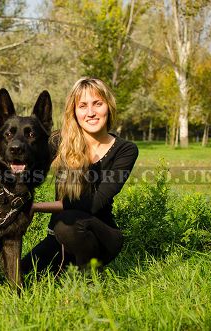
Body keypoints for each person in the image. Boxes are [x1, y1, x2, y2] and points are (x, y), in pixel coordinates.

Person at [21, 77, 138, 275]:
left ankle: (91, 276)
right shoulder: (59, 141)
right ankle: (69, 268)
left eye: (97, 104)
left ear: (108, 106)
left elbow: (94, 203)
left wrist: (34, 207)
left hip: (102, 237)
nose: (91, 112)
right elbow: (28, 166)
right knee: (22, 273)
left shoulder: (125, 150)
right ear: (74, 111)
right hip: (61, 235)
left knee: (67, 221)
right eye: (82, 106)